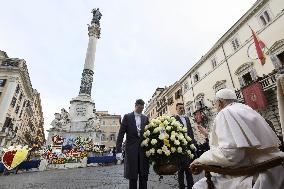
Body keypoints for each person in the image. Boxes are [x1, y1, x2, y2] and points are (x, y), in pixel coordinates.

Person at [191, 88, 284, 189]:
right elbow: (239, 138)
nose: (215, 106)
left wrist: (201, 160)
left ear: (220, 103)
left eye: (215, 103)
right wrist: (207, 134)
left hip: (256, 173)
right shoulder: (246, 109)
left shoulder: (225, 113)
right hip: (275, 168)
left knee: (199, 186)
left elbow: (231, 155)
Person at [116, 99, 150, 189]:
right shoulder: (127, 117)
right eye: (139, 108)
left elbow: (149, 134)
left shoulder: (145, 118)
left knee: (144, 175)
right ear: (135, 106)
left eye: (142, 109)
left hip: (143, 151)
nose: (141, 110)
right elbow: (121, 134)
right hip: (131, 151)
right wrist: (118, 150)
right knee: (133, 176)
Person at [174, 103, 196, 189]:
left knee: (189, 169)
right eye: (180, 108)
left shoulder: (187, 118)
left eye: (183, 108)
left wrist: (193, 144)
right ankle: (181, 187)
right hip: (179, 147)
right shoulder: (174, 119)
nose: (182, 109)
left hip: (188, 147)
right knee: (180, 171)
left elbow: (190, 132)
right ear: (177, 109)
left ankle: (191, 187)